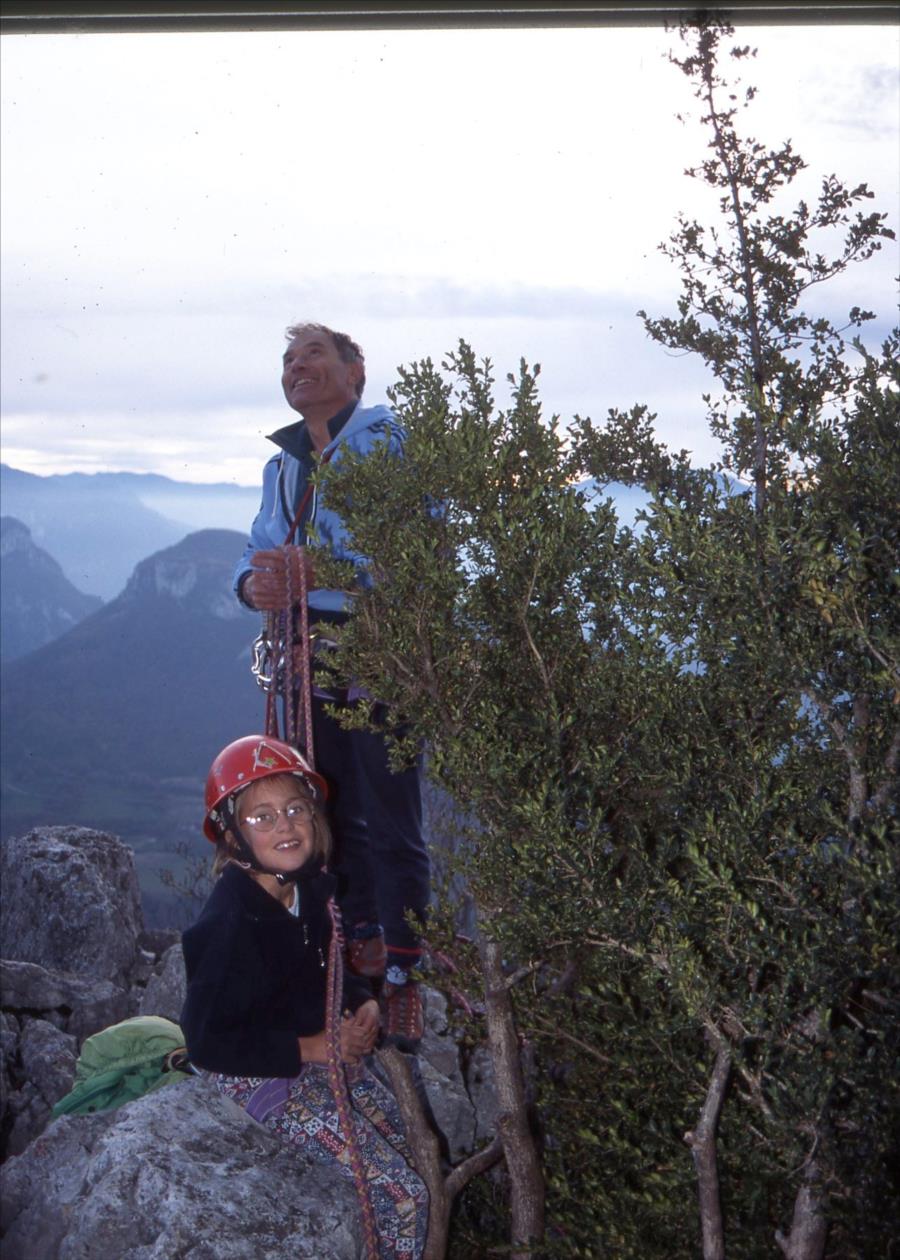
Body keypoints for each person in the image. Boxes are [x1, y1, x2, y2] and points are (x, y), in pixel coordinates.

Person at [234, 321, 429, 1047]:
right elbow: (257, 546)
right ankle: (361, 948)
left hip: (379, 648)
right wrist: (251, 585)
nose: (296, 366)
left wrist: (329, 572)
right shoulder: (283, 464)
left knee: (390, 812)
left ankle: (404, 975)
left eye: (313, 353)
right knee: (328, 808)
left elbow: (420, 543)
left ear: (355, 372)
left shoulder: (391, 445)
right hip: (307, 652)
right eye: (288, 359)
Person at [181, 734, 428, 1259]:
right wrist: (313, 1048)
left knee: (405, 1137)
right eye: (262, 817)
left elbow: (328, 969)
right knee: (404, 1195)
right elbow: (205, 1041)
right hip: (252, 1071)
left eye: (296, 809)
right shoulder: (228, 925)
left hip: (307, 1047)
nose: (285, 826)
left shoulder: (308, 891)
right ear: (233, 837)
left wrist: (362, 1003)